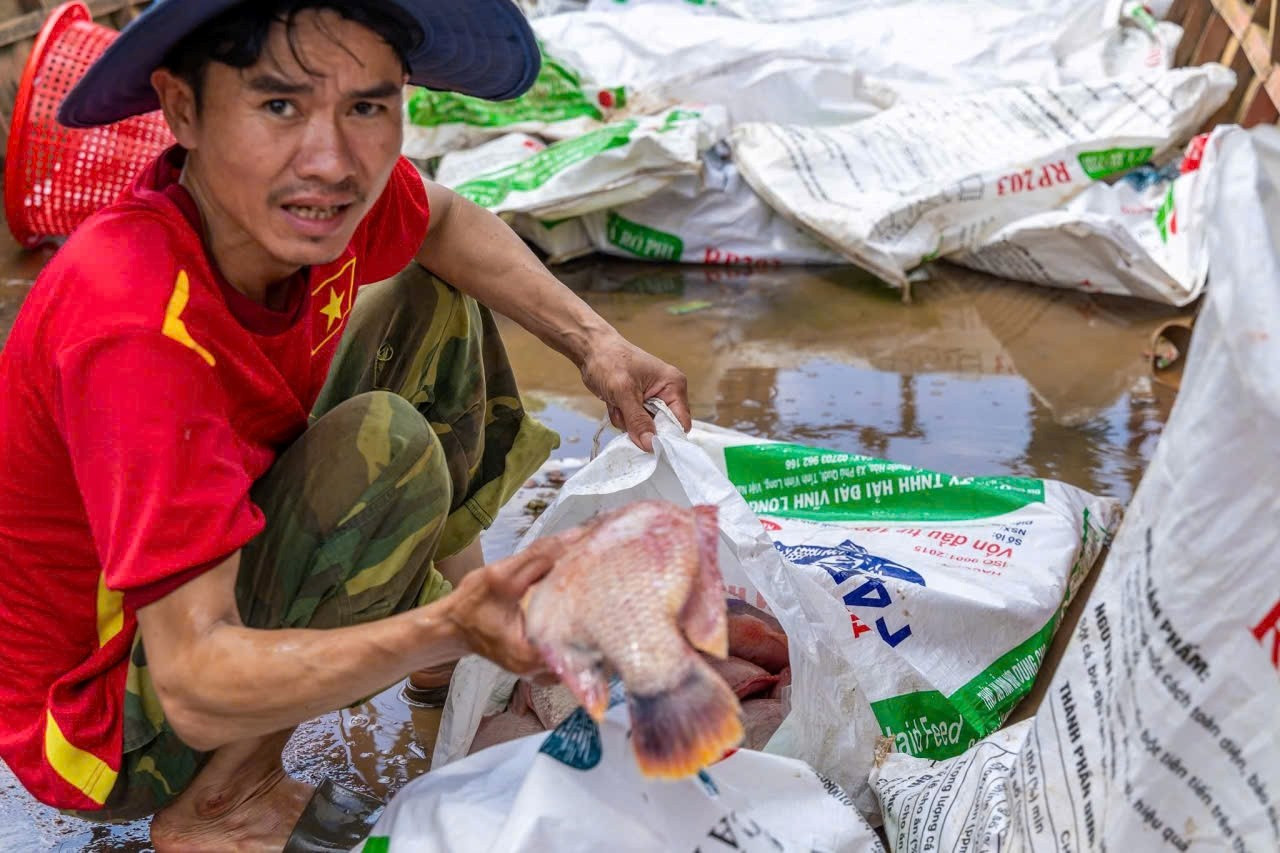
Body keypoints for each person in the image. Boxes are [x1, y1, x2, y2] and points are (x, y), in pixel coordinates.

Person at [0, 1, 690, 849]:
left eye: (366, 106)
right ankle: (227, 800)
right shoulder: (137, 323)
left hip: (203, 602)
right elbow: (192, 681)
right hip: (111, 723)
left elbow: (441, 220)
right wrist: (438, 624)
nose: (330, 161)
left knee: (429, 294)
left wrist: (598, 344)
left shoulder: (318, 217)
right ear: (182, 111)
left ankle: (449, 636)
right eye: (278, 106)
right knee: (387, 450)